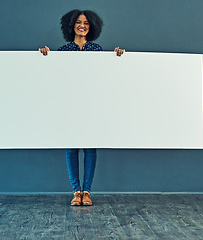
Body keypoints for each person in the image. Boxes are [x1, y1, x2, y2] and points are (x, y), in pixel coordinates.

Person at [39, 9, 125, 206]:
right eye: (79, 22)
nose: (82, 26)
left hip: (91, 104)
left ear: (91, 27)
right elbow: (53, 76)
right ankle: (75, 191)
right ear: (71, 25)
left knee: (90, 148)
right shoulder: (63, 51)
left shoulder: (96, 49)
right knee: (71, 147)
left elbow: (104, 75)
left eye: (86, 23)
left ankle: (87, 191)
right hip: (69, 104)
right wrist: (45, 57)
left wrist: (117, 58)